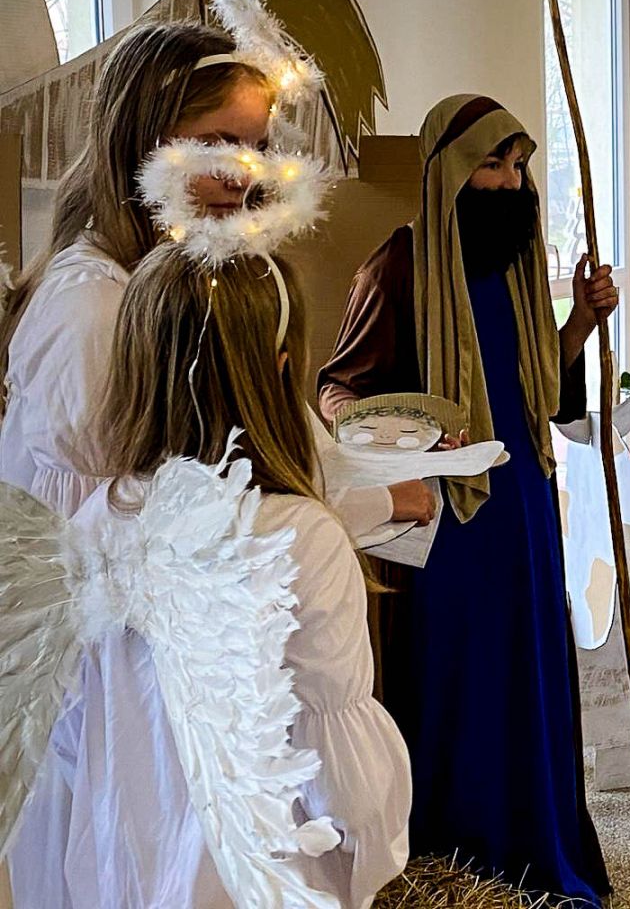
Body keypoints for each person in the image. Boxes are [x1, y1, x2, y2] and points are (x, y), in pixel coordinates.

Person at [11, 244, 410, 908]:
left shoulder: (91, 524)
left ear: (135, 367)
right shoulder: (301, 537)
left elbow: (76, 736)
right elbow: (345, 786)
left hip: (123, 876)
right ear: (279, 372)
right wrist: (373, 850)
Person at [317, 95, 615, 904]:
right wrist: (407, 438)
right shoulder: (398, 266)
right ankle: (464, 861)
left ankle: (537, 843)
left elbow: (542, 394)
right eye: (491, 165)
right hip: (449, 519)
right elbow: (339, 391)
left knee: (528, 674)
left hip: (525, 505)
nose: (511, 183)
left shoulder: (515, 267)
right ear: (447, 172)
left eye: (518, 166)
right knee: (466, 682)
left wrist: (581, 323)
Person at [0, 19, 425, 534]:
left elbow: (272, 437)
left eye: (257, 148)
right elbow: (154, 501)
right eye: (215, 144)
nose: (242, 176)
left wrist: (384, 471)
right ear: (141, 141)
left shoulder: (197, 283)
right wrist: (374, 504)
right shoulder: (92, 304)